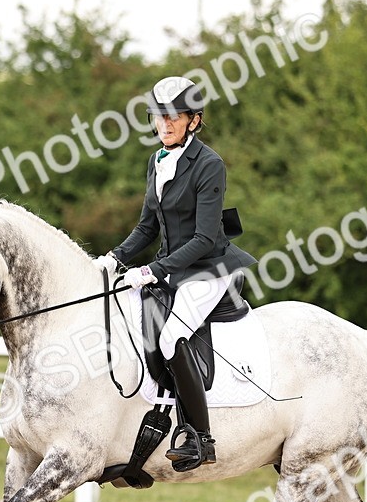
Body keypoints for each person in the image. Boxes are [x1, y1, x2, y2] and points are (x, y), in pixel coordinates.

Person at [95, 76, 257, 472]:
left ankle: (200, 437)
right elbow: (148, 227)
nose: (164, 124)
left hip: (208, 268)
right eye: (158, 117)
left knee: (171, 337)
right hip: (174, 266)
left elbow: (203, 238)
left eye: (173, 117)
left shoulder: (210, 165)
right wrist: (115, 259)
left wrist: (152, 269)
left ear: (194, 121)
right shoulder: (156, 160)